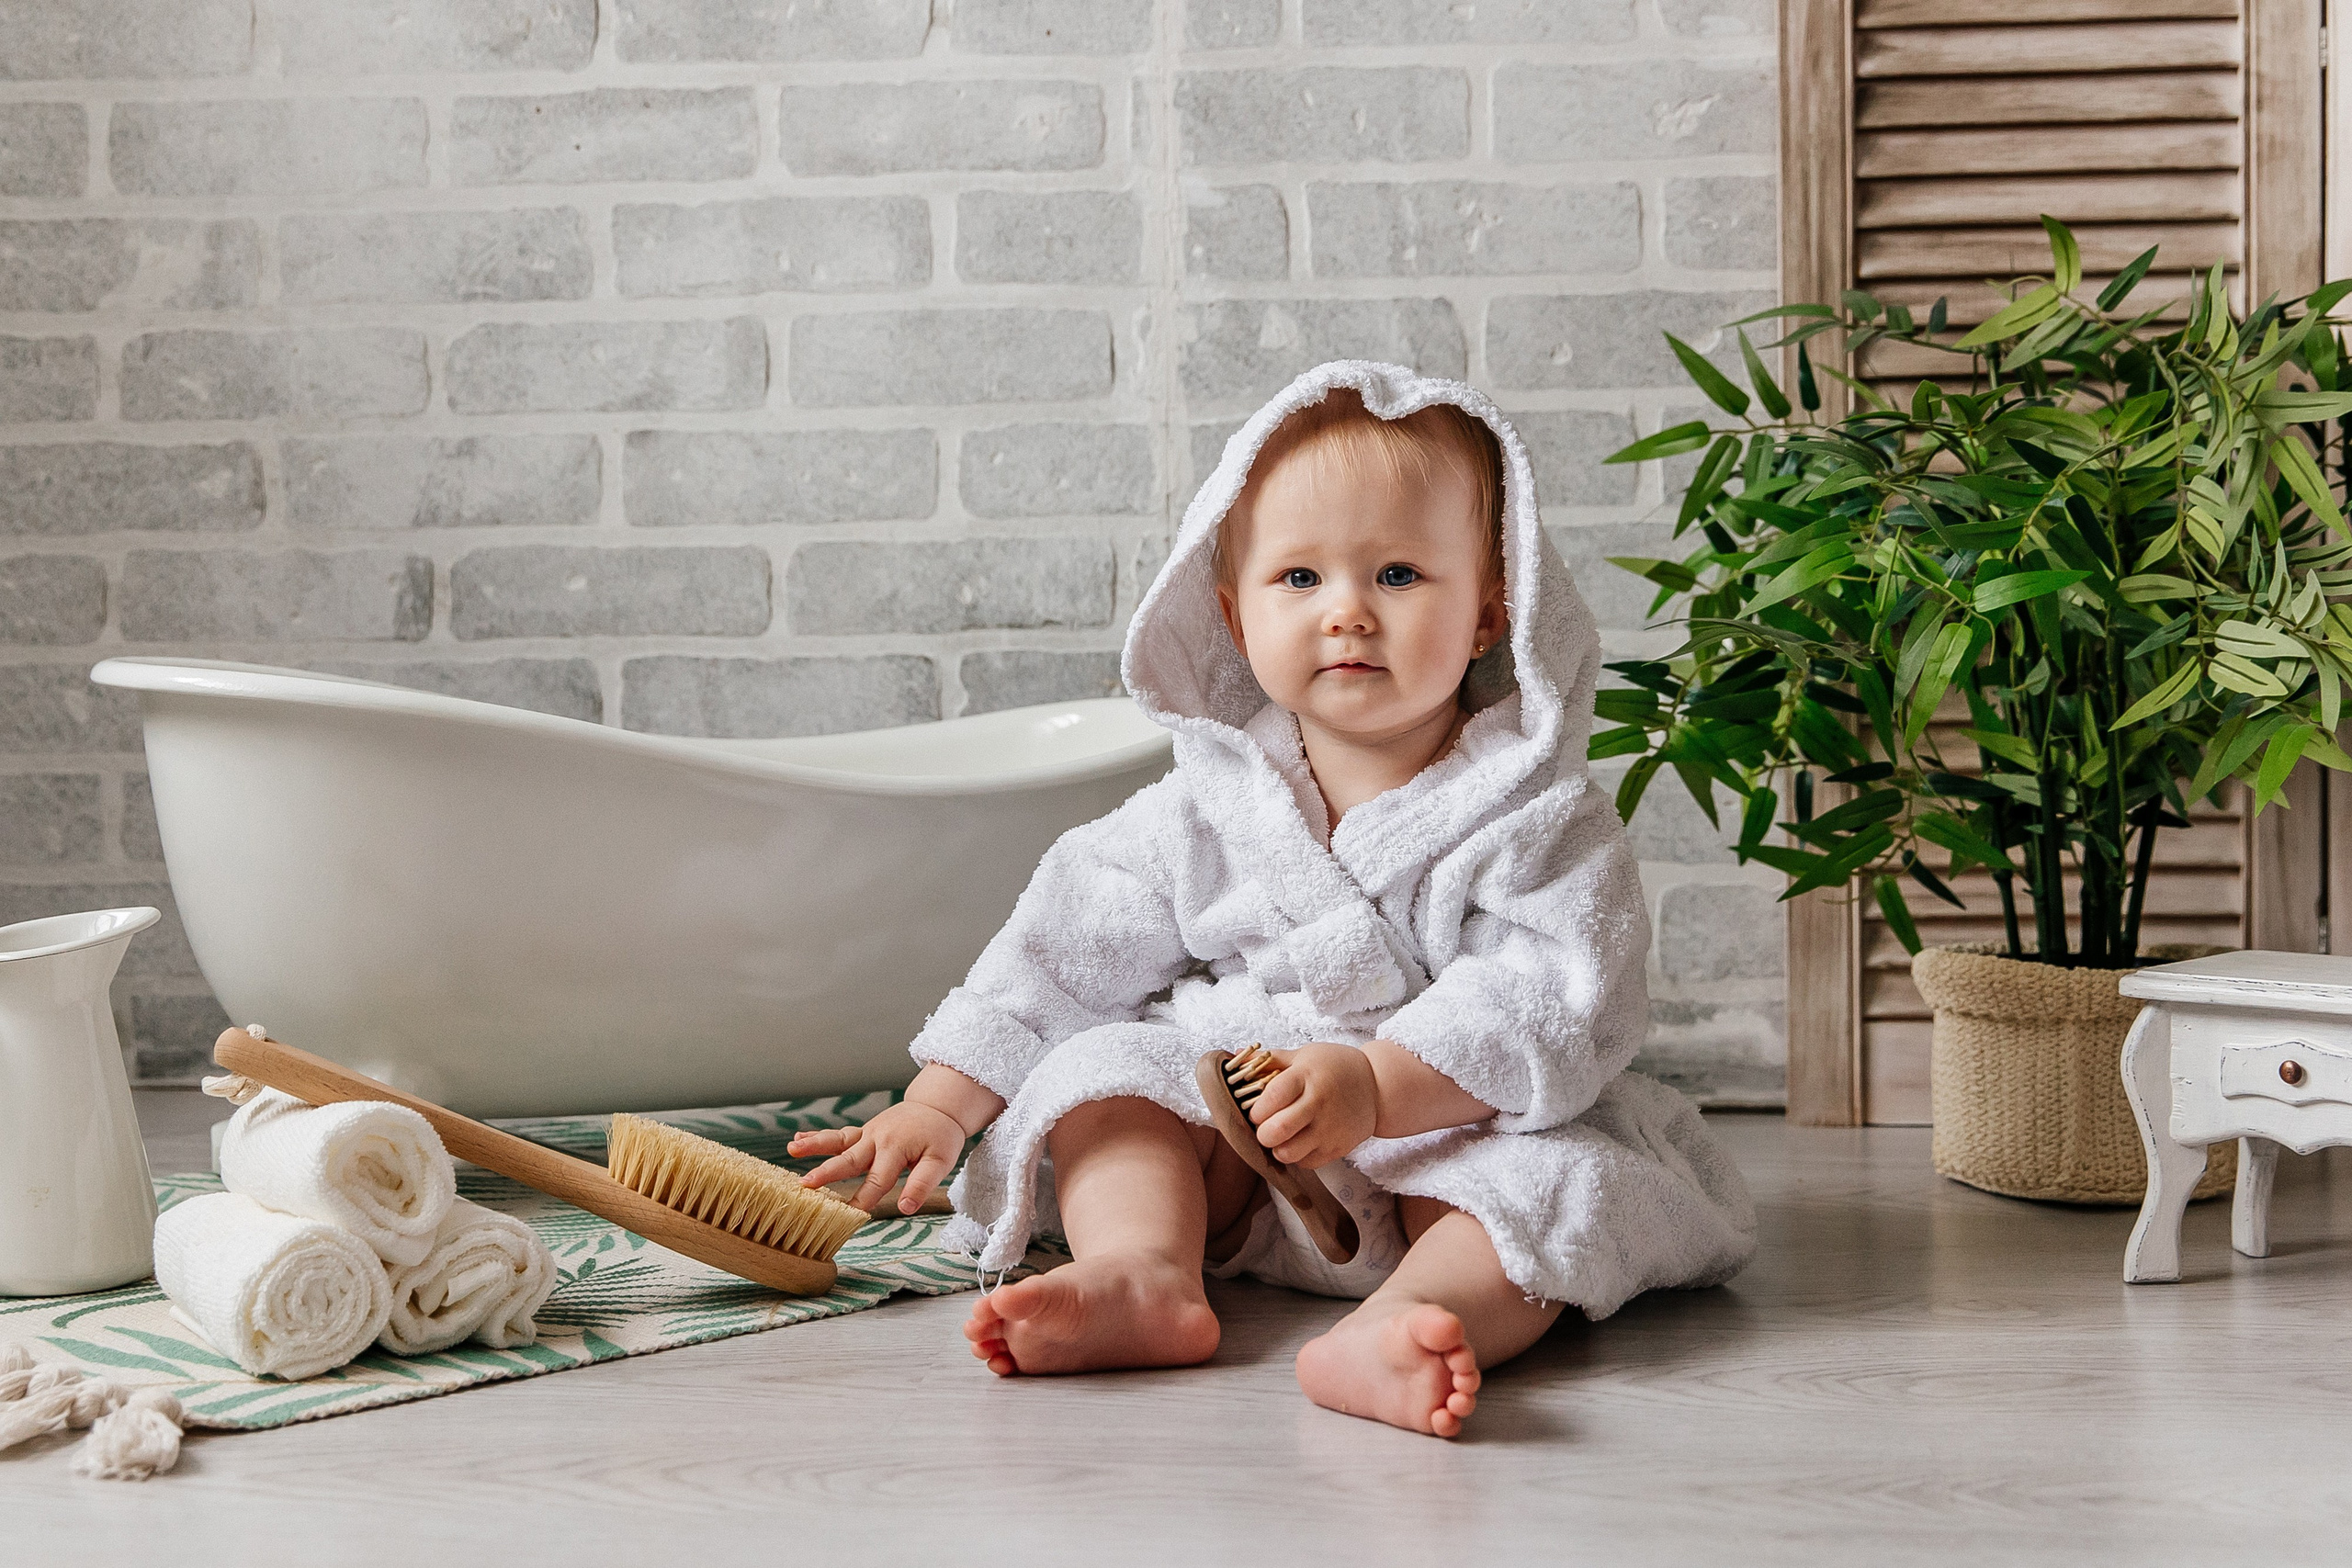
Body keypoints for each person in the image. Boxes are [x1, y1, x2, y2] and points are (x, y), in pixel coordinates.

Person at [790, 360, 1756, 1438]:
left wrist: (1377, 1087)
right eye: (1299, 579)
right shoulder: (1203, 808)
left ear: (1491, 611)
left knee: (1565, 1186)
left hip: (1447, 1145)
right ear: (1230, 614)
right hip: (1245, 1159)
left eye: (1396, 575)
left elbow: (1550, 1000)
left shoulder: (1539, 819)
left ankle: (1408, 1324)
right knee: (1099, 1073)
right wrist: (941, 1100)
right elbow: (1065, 948)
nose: (1346, 613)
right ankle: (1143, 1273)